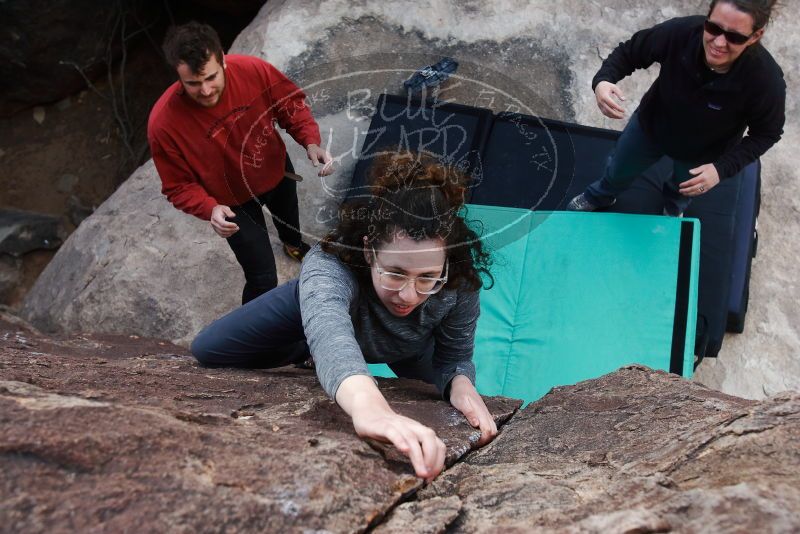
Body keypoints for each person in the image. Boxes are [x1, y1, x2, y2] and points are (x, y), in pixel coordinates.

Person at [191, 152, 497, 482]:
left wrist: (460, 384)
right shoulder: (331, 266)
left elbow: (454, 356)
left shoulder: (459, 281)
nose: (409, 294)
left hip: (409, 348)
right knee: (210, 348)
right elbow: (331, 334)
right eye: (394, 273)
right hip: (311, 323)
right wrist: (369, 406)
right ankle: (304, 351)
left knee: (450, 391)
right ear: (369, 251)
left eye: (427, 277)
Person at [147, 21, 334, 304]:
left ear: (222, 58)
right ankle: (252, 342)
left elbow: (290, 105)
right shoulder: (163, 124)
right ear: (177, 75)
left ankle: (293, 245)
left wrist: (310, 141)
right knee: (262, 279)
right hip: (230, 203)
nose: (207, 90)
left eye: (211, 77)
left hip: (276, 170)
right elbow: (177, 186)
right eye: (194, 84)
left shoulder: (253, 71)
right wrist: (209, 209)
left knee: (290, 221)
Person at [567, 0, 785, 216]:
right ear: (707, 16)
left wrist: (720, 170)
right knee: (618, 170)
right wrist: (603, 81)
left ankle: (673, 209)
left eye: (735, 37)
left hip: (704, 151)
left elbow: (767, 133)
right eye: (713, 28)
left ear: (755, 36)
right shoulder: (680, 32)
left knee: (683, 191)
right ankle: (601, 195)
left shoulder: (766, 81)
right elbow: (631, 51)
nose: (719, 43)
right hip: (650, 126)